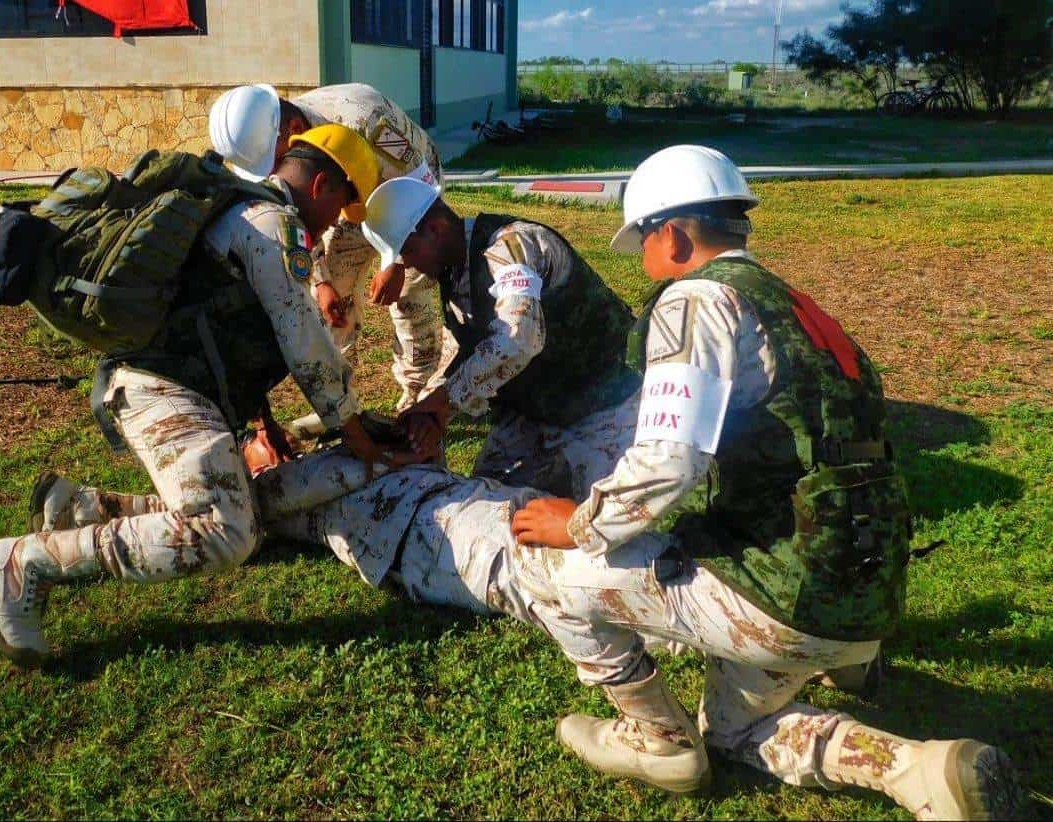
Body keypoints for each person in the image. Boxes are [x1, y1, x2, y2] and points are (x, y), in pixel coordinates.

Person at [492, 144, 1015, 813]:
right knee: (735, 732)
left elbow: (668, 463)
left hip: (782, 589)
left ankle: (655, 737)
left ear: (674, 234)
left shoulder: (696, 303)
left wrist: (579, 524)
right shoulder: (799, 309)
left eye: (644, 242)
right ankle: (917, 769)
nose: (643, 263)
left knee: (548, 568)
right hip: (864, 583)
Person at [242, 441, 1023, 819]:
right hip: (501, 549)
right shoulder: (333, 484)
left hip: (511, 540)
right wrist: (273, 469)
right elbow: (260, 503)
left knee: (665, 624)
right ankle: (906, 761)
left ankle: (901, 764)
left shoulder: (351, 484)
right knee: (696, 648)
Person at [0, 124, 412, 668]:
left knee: (242, 512)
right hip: (165, 389)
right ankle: (27, 562)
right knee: (225, 532)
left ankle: (83, 508)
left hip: (162, 382)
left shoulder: (241, 211)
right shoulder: (275, 225)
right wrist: (354, 430)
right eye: (341, 209)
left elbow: (228, 323)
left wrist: (264, 423)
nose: (333, 227)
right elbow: (306, 345)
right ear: (324, 184)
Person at [361, 176, 640, 499]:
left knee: (590, 520)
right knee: (485, 501)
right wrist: (428, 410)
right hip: (533, 411)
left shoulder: (512, 247)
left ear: (436, 228)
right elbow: (465, 349)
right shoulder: (454, 270)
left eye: (407, 250)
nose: (407, 263)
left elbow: (519, 338)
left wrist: (444, 401)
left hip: (605, 405)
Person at [211, 82, 446, 411]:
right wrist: (320, 280)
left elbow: (424, 192)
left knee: (409, 300)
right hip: (343, 198)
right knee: (332, 302)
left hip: (406, 194)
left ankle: (417, 398)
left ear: (295, 129)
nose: (280, 176)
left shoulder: (367, 122)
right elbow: (298, 218)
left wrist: (396, 262)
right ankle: (341, 398)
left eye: (277, 165)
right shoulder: (273, 133)